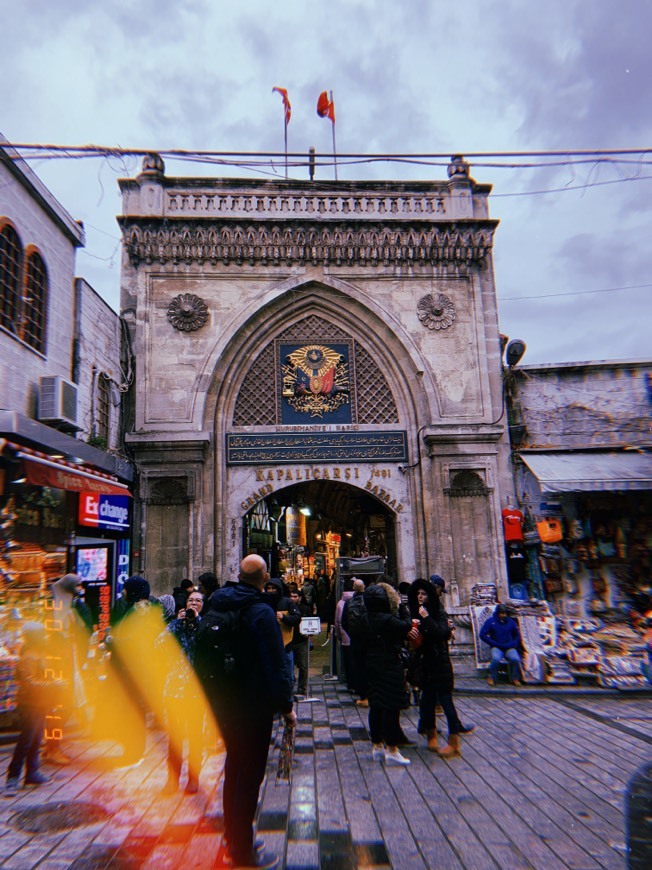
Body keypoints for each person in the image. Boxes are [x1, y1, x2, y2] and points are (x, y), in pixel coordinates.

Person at [209, 555, 295, 869]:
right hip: (253, 707)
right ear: (265, 576)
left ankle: (234, 837)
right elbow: (275, 664)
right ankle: (242, 852)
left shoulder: (218, 604)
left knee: (234, 772)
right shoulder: (261, 611)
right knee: (249, 777)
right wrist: (286, 706)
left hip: (224, 704)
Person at [408, 578, 474, 758]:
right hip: (426, 664)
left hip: (440, 663)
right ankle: (431, 737)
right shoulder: (415, 612)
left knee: (446, 703)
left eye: (424, 593)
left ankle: (454, 743)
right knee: (427, 703)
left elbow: (442, 633)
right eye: (418, 594)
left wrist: (426, 618)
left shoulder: (437, 612)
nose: (420, 597)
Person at [4, 623, 67, 796]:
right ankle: (12, 777)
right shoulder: (29, 656)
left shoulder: (38, 652)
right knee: (26, 740)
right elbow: (30, 683)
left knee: (36, 738)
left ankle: (32, 772)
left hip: (39, 703)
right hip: (30, 704)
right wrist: (53, 685)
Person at [362, 582, 417, 766]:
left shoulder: (365, 618)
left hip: (370, 664)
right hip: (389, 664)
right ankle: (392, 749)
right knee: (391, 706)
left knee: (376, 704)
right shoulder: (387, 619)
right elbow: (406, 625)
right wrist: (402, 607)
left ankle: (377, 745)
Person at [160, 590, 206, 794]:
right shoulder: (175, 624)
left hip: (196, 691)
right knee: (175, 737)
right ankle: (172, 779)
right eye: (190, 600)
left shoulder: (204, 625)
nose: (193, 604)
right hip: (175, 690)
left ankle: (194, 778)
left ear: (202, 605)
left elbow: (206, 647)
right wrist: (177, 624)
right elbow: (159, 645)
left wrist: (195, 623)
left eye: (197, 601)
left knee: (195, 736)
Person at [263, 577, 300, 690]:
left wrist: (284, 617)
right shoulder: (264, 602)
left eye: (273, 588)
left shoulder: (287, 602)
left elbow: (297, 618)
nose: (271, 591)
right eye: (268, 588)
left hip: (286, 645)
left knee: (288, 673)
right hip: (269, 645)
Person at [480, 603, 524, 686]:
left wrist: (514, 643)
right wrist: (493, 643)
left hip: (509, 646)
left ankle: (515, 678)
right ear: (497, 613)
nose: (503, 615)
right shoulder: (491, 621)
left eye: (505, 613)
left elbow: (517, 635)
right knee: (496, 659)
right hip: (497, 646)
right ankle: (491, 677)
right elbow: (482, 635)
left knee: (515, 659)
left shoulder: (511, 622)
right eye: (501, 613)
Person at [288, 584, 311, 698]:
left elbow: (311, 623)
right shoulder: (288, 609)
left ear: (300, 597)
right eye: (291, 596)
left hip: (301, 640)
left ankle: (302, 688)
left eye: (295, 596)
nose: (293, 598)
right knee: (289, 667)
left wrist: (309, 633)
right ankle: (290, 687)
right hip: (289, 641)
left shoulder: (305, 609)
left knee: (303, 666)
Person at [333, 579, 356, 692]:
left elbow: (337, 622)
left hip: (345, 637)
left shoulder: (341, 603)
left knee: (348, 661)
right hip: (358, 637)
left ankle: (351, 684)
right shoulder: (360, 600)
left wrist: (338, 635)